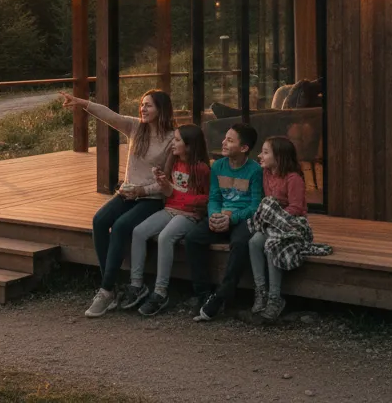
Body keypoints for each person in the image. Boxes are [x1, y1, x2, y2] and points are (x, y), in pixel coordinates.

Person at [59, 89, 176, 317]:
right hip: (127, 193)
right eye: (142, 104)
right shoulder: (135, 128)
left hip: (151, 198)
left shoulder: (172, 138)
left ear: (161, 109)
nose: (143, 109)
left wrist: (142, 190)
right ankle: (110, 287)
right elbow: (109, 115)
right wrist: (81, 101)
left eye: (149, 105)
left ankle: (105, 290)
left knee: (122, 226)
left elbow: (166, 182)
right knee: (100, 220)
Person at [119, 124, 211, 316]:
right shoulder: (174, 163)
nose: (173, 143)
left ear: (189, 145)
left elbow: (207, 198)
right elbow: (170, 193)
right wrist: (163, 184)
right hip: (170, 209)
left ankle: (160, 292)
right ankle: (137, 285)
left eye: (177, 140)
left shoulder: (201, 169)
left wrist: (184, 199)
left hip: (189, 215)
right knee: (139, 231)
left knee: (165, 237)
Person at [185, 122, 262, 322]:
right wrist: (214, 215)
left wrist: (231, 218)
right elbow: (214, 198)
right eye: (224, 138)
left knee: (240, 243)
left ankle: (222, 295)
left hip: (242, 218)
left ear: (244, 148)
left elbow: (255, 207)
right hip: (221, 216)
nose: (224, 143)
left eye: (230, 140)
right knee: (193, 238)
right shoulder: (218, 166)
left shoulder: (254, 170)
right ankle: (202, 295)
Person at [248, 136, 307, 323]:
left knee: (272, 244)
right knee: (254, 241)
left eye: (265, 152)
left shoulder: (293, 178)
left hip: (291, 223)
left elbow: (297, 208)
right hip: (272, 223)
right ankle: (261, 291)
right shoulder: (266, 174)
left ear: (279, 157)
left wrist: (272, 215)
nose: (260, 155)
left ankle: (275, 297)